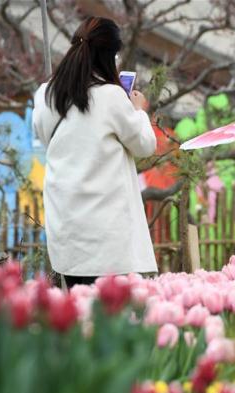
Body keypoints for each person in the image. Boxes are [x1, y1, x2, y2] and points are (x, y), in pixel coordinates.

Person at [32, 17, 158, 287]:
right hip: (108, 241)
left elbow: (44, 136)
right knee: (107, 320)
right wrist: (138, 111)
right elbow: (145, 145)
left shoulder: (45, 95)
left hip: (67, 234)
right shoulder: (112, 97)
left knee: (77, 314)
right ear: (110, 55)